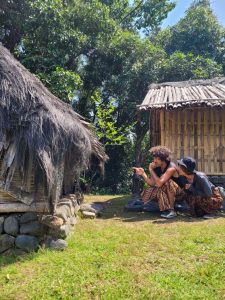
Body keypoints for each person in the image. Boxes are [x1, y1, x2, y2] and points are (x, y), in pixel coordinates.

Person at [133, 146, 185, 219]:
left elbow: (159, 183)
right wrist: (143, 174)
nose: (154, 161)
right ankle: (164, 208)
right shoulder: (156, 167)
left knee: (168, 182)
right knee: (149, 190)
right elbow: (151, 183)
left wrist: (151, 170)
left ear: (163, 159)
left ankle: (172, 210)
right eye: (154, 158)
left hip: (179, 194)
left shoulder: (171, 167)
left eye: (156, 158)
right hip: (165, 192)